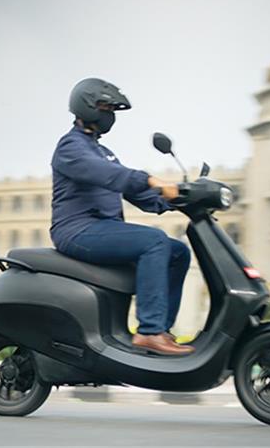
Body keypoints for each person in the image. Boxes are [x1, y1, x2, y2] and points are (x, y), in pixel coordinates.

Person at [50, 77, 194, 356]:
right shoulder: (70, 147)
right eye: (106, 107)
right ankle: (149, 332)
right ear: (87, 106)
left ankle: (161, 330)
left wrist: (179, 200)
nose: (110, 115)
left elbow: (137, 194)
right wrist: (151, 179)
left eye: (113, 110)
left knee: (178, 252)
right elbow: (109, 175)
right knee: (155, 241)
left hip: (103, 228)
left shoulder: (105, 153)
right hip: (78, 230)